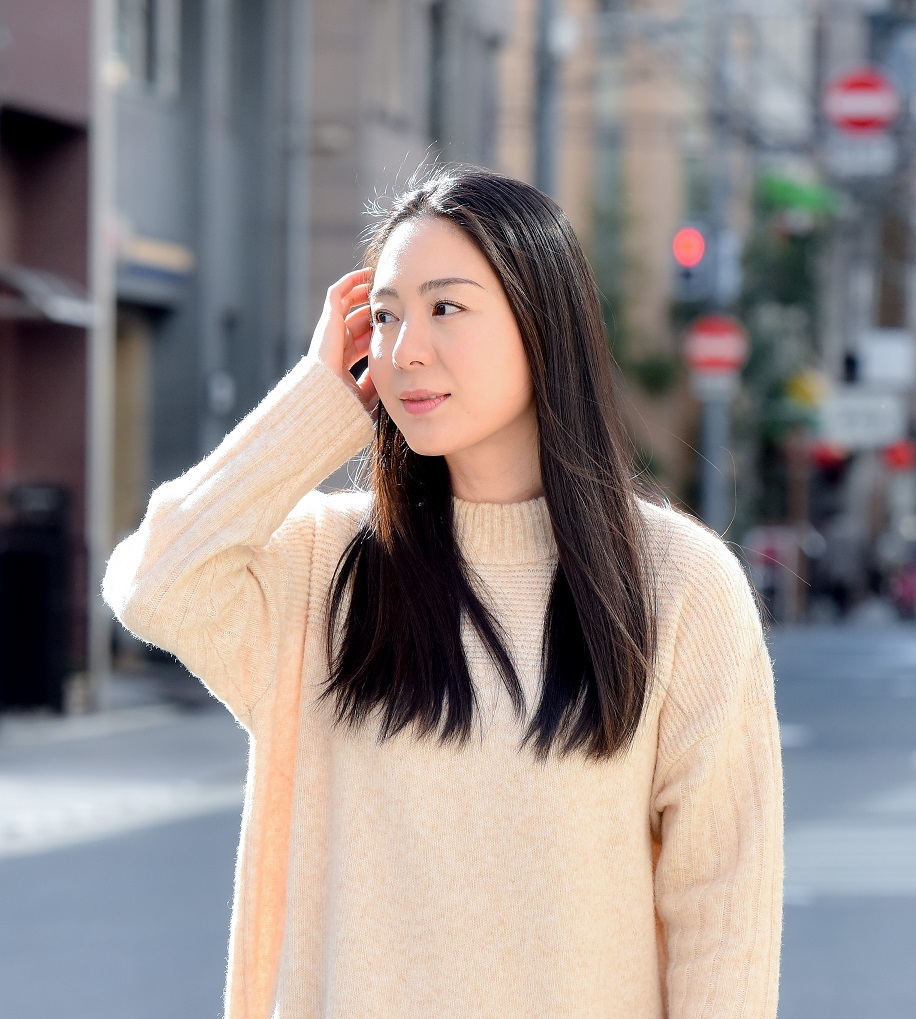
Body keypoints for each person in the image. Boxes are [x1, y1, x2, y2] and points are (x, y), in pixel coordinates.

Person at [102, 165, 784, 1019]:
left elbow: (720, 917)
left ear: (543, 324)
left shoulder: (677, 583)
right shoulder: (326, 564)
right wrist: (317, 400)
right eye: (383, 316)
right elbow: (152, 583)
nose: (405, 348)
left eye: (445, 307)